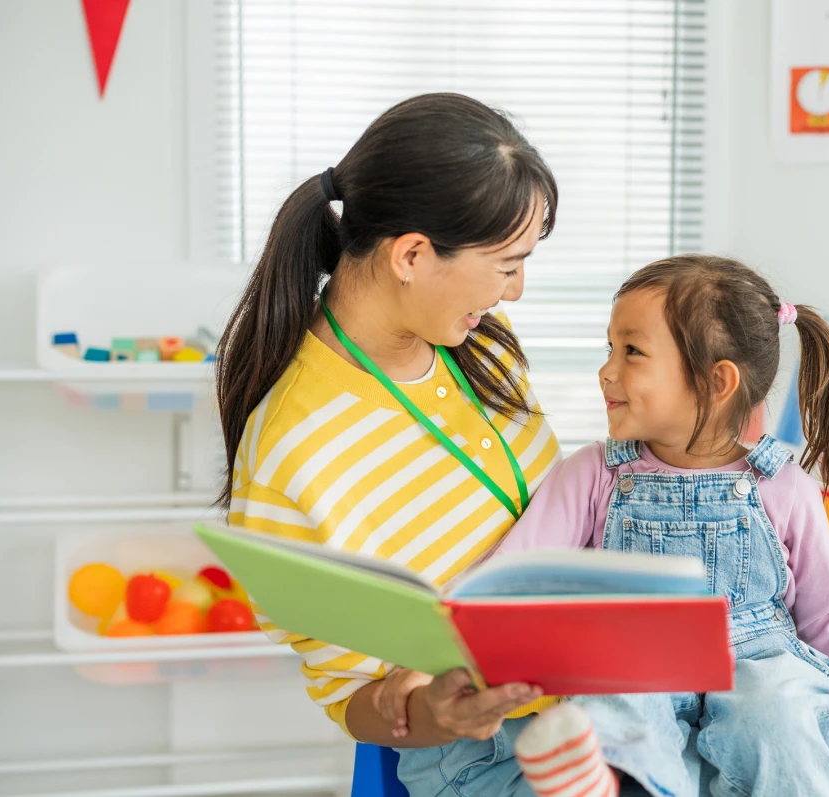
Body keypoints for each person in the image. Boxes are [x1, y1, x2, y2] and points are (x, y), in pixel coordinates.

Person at [483, 255, 829, 797]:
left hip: (762, 665)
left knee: (777, 711)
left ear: (716, 381)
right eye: (610, 349)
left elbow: (828, 622)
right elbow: (511, 579)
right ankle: (611, 783)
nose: (606, 371)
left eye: (632, 352)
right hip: (639, 663)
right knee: (615, 699)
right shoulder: (595, 473)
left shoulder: (785, 488)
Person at [216, 93, 574, 796]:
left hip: (591, 701)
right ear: (412, 254)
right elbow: (350, 690)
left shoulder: (480, 346)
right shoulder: (293, 447)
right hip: (487, 753)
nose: (518, 291)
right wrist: (433, 711)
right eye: (507, 264)